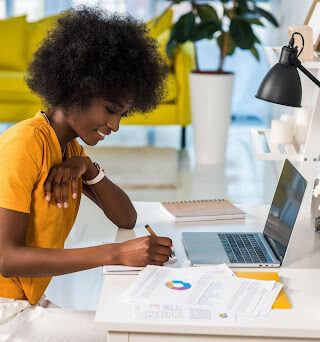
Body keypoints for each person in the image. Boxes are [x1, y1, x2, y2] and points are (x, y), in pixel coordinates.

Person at [0, 6, 172, 341]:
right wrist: (117, 253)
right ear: (77, 89)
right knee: (128, 334)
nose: (116, 125)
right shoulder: (24, 144)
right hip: (6, 312)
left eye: (122, 114)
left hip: (24, 303)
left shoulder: (70, 149)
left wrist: (89, 169)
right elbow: (6, 258)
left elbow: (126, 217)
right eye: (110, 110)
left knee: (130, 326)